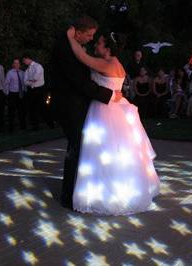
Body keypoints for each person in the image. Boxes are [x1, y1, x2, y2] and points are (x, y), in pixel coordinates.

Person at [67, 27, 160, 215]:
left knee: (101, 150)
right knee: (115, 150)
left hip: (104, 109)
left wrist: (71, 38)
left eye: (99, 43)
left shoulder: (107, 64)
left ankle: (103, 191)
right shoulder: (117, 63)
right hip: (117, 107)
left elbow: (81, 57)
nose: (96, 44)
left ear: (108, 48)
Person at [50, 15, 123, 210]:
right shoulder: (65, 47)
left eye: (95, 37)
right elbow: (81, 82)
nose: (91, 39)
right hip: (70, 106)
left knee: (83, 149)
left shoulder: (70, 43)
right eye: (89, 35)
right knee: (76, 149)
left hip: (85, 107)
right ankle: (69, 196)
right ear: (79, 32)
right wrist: (109, 94)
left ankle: (77, 191)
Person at [23, 55, 46, 131]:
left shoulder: (38, 66)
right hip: (31, 90)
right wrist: (31, 81)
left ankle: (42, 123)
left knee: (38, 107)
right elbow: (25, 82)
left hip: (39, 90)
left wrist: (30, 81)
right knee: (32, 108)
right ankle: (34, 125)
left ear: (28, 59)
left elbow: (35, 78)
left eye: (24, 60)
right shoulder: (27, 70)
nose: (24, 62)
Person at [4, 58, 27, 132]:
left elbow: (24, 84)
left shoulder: (22, 73)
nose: (16, 64)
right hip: (12, 94)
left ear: (20, 65)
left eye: (18, 63)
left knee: (22, 111)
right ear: (13, 64)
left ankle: (23, 127)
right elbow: (6, 84)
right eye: (15, 63)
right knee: (11, 112)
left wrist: (25, 92)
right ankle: (11, 128)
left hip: (21, 94)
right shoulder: (10, 73)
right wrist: (7, 94)